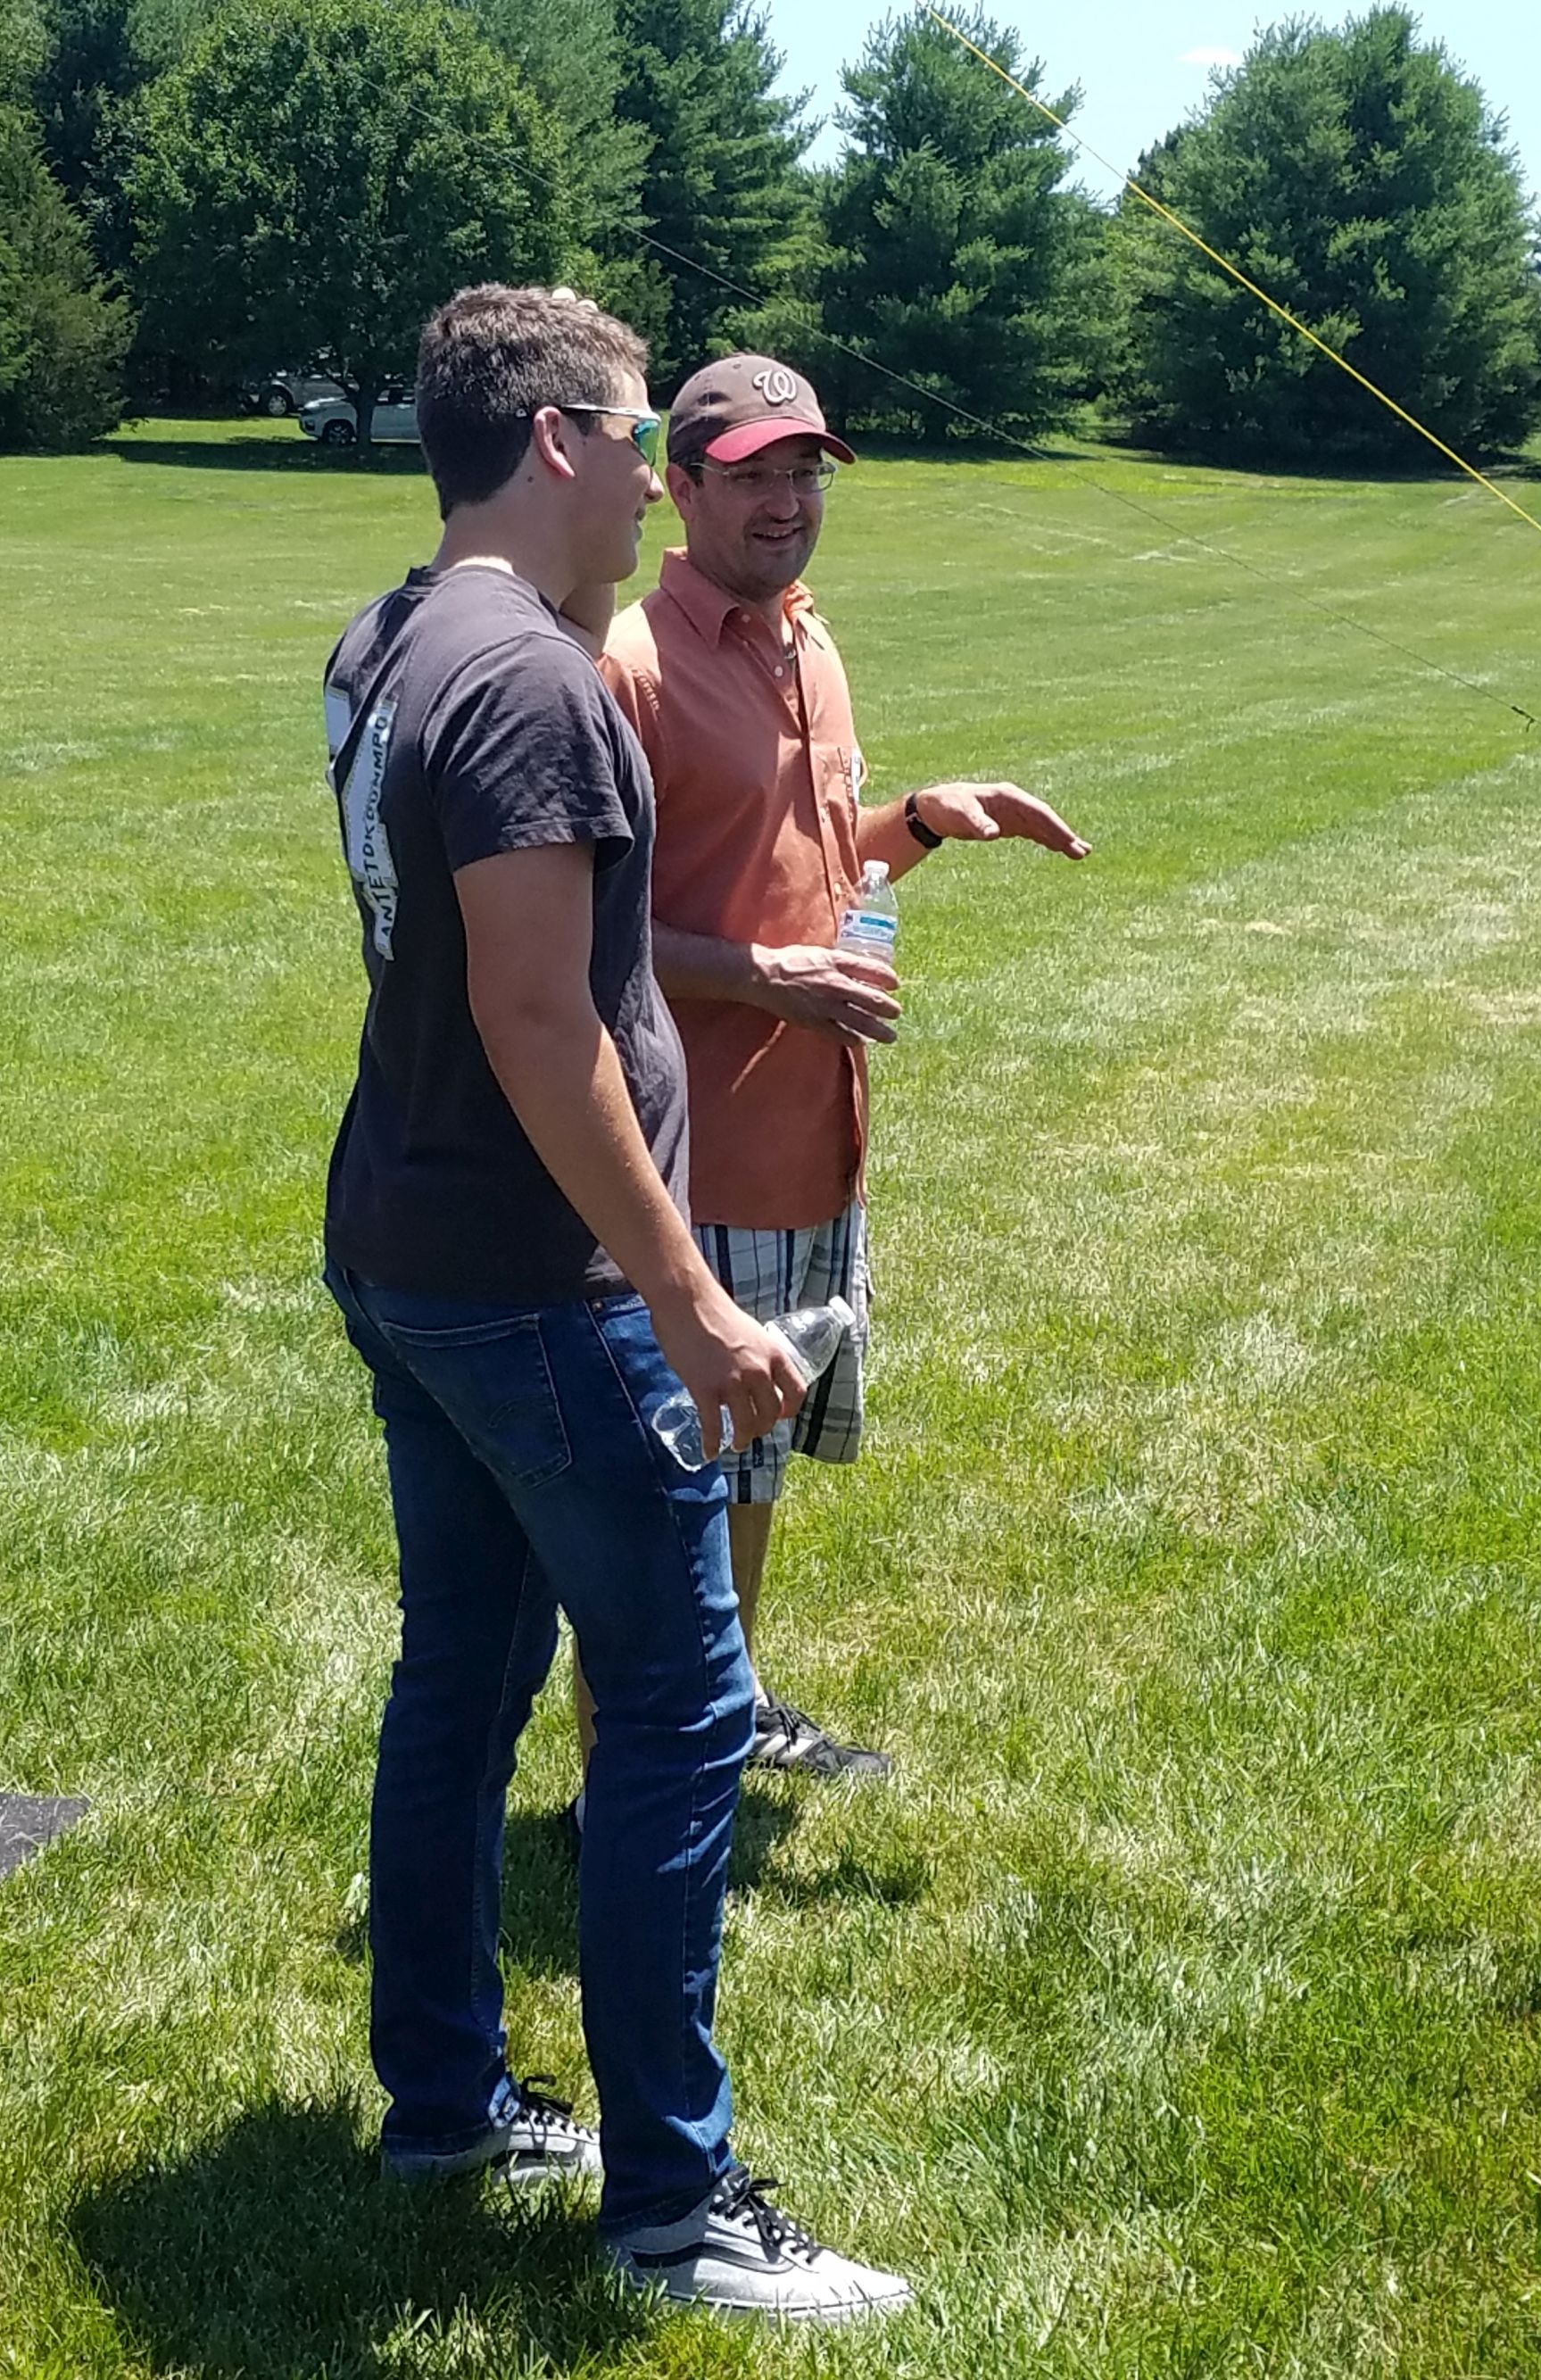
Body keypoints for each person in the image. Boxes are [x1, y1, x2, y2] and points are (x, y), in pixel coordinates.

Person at [320, 286, 910, 2324]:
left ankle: (445, 2106)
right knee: (676, 1709)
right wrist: (683, 1296)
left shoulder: (393, 635)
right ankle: (676, 2204)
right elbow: (534, 1014)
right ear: (560, 441)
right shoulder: (537, 685)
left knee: (462, 1683)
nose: (661, 480)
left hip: (412, 1245)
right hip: (537, 1281)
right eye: (644, 437)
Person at [578, 352, 1089, 1786]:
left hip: (815, 1139)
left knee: (749, 1472)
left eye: (807, 472)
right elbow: (584, 940)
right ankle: (630, 1782)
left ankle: (722, 1714)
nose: (789, 501)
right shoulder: (632, 669)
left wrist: (919, 817)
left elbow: (804, 868)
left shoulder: (809, 642)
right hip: (697, 1157)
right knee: (673, 1485)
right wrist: (765, 978)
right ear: (681, 487)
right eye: (755, 475)